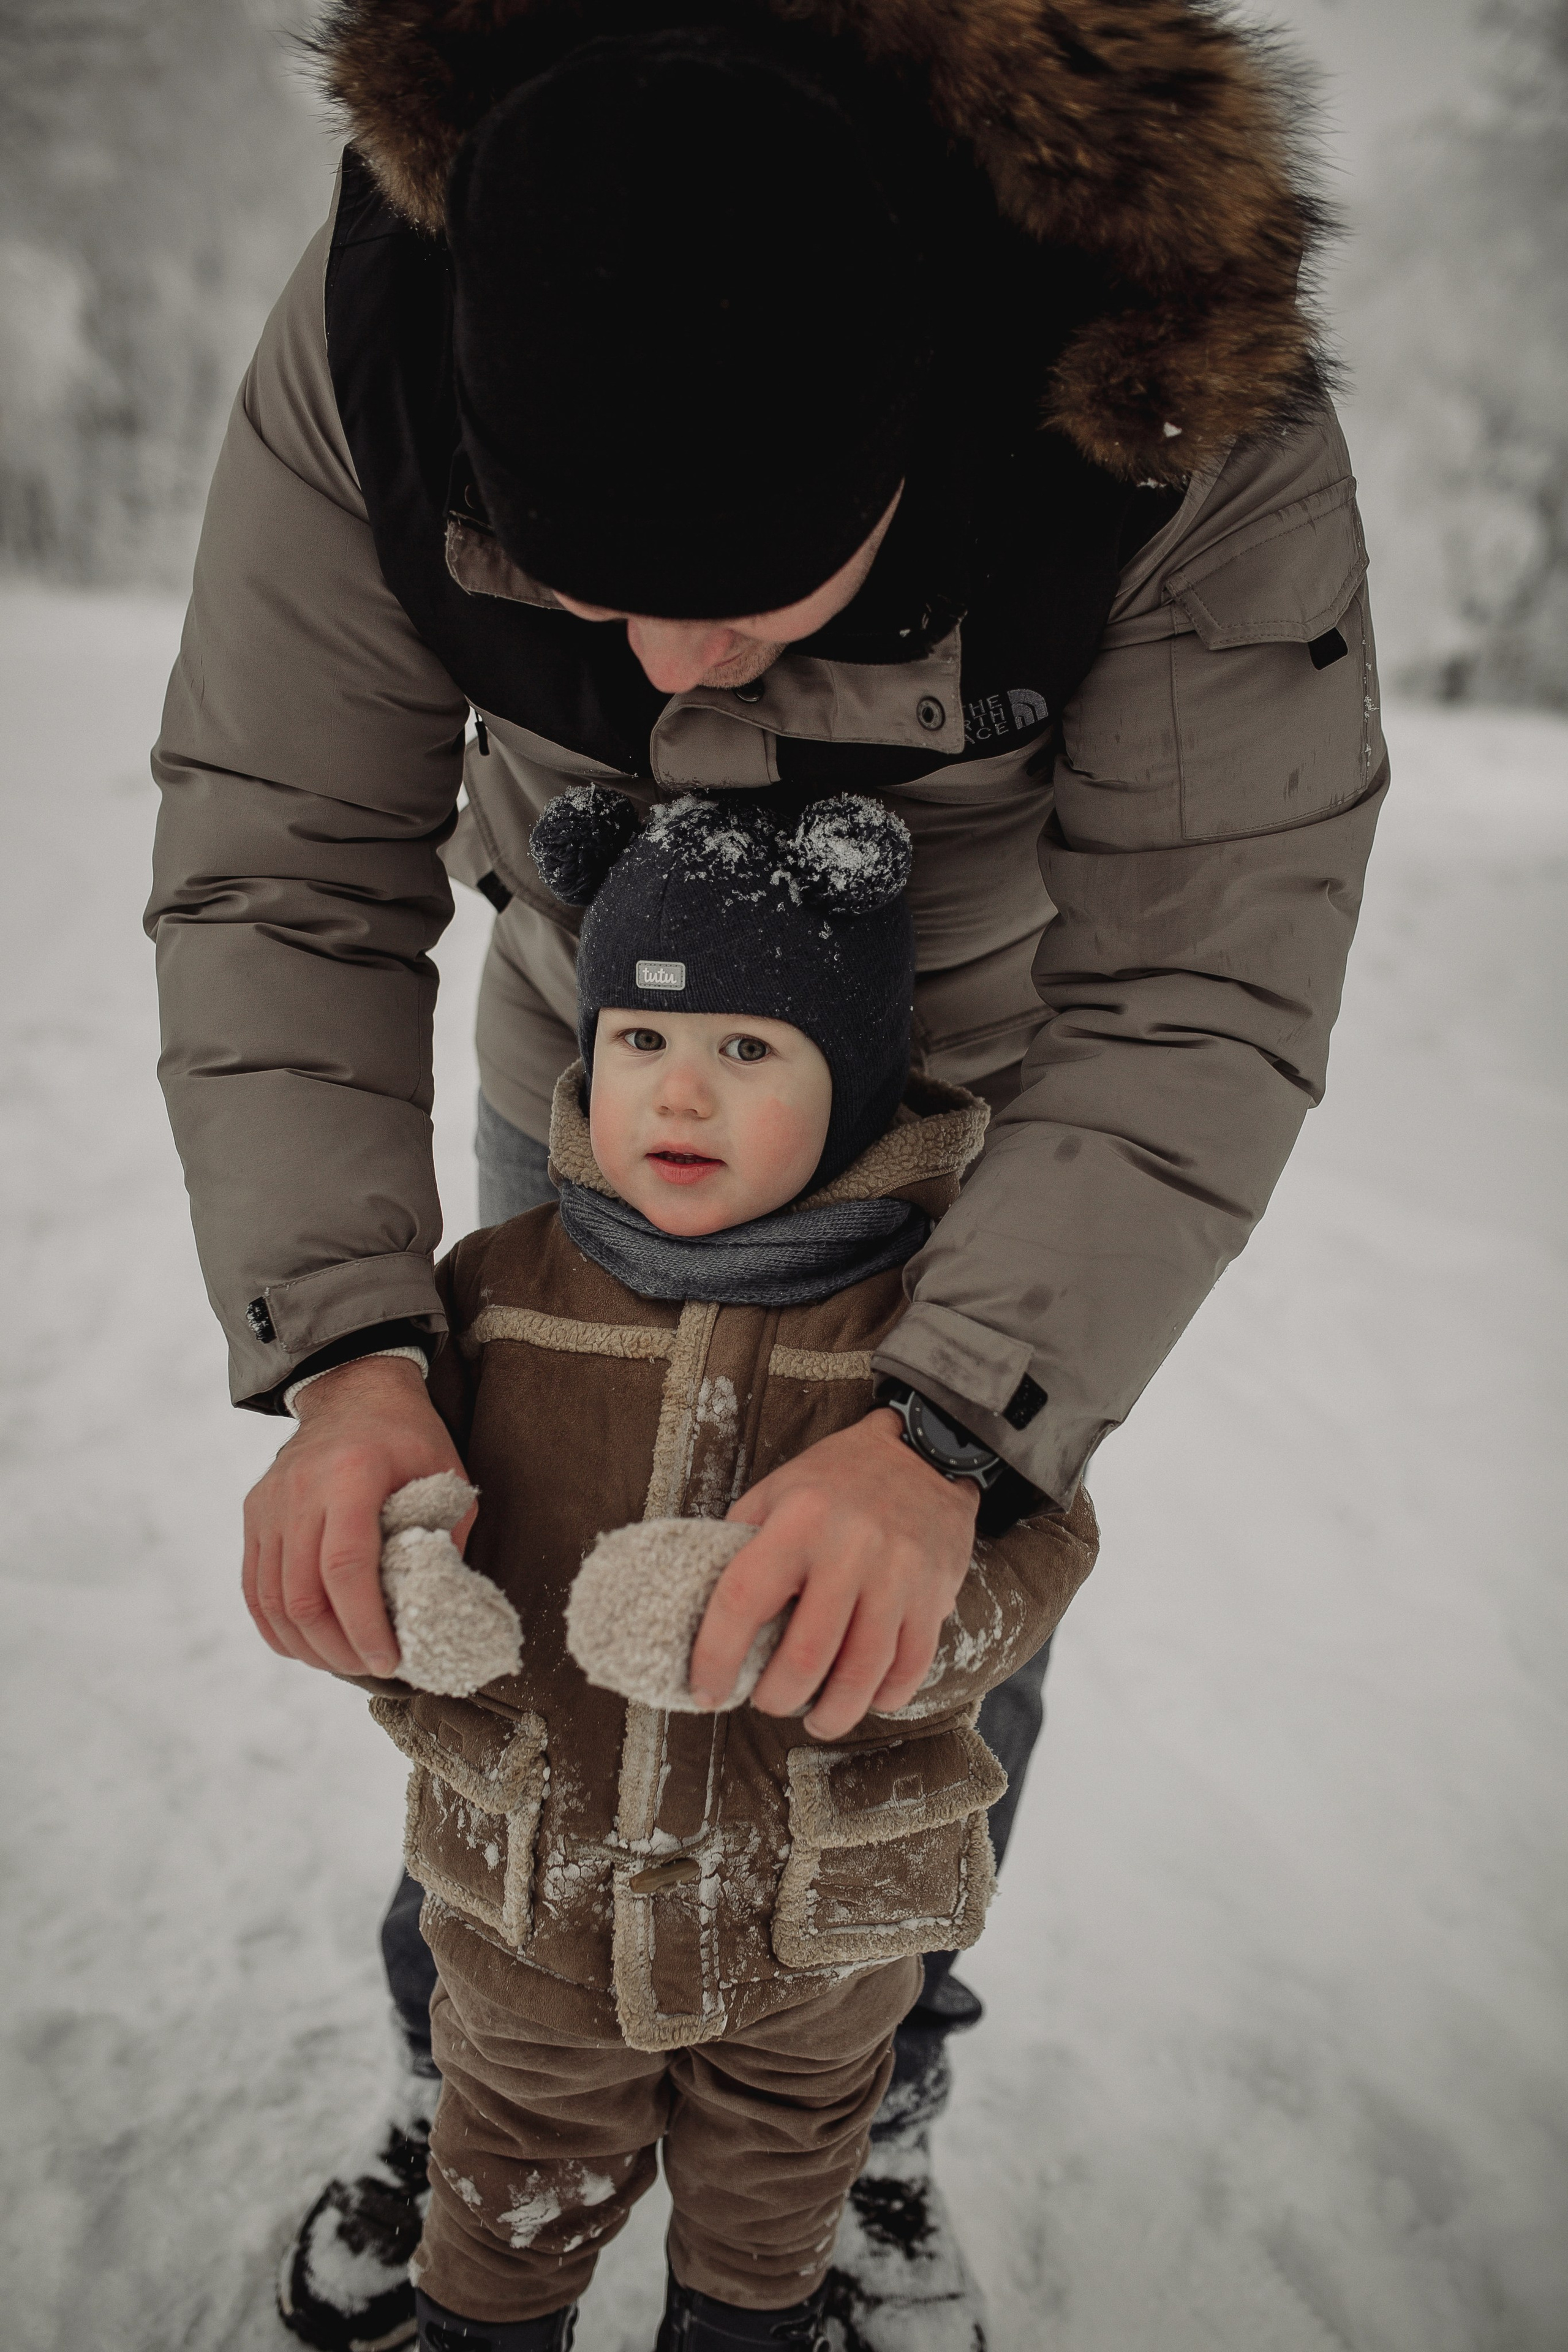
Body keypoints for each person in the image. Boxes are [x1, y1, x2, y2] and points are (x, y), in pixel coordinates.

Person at [147, 6, 1387, 2349]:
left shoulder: (1172, 405)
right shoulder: (392, 336)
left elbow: (1200, 994)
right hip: (585, 1078)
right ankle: (489, 2070)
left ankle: (862, 2088)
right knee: (521, 1582)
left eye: (750, 588)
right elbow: (283, 869)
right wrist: (343, 1347)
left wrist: (953, 1433)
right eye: (592, 587)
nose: (677, 665)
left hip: (991, 1117)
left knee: (892, 1639)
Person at [339, 786, 1096, 2352]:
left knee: (766, 2245)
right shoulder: (492, 1291)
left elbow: (1043, 1543)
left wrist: (885, 1630)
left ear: (860, 1078)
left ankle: (782, 2282)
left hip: (813, 1943)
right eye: (640, 1043)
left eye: (748, 1051)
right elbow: (407, 1498)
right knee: (500, 2227)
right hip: (535, 1930)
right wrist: (413, 1591)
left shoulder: (934, 1334)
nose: (678, 1097)